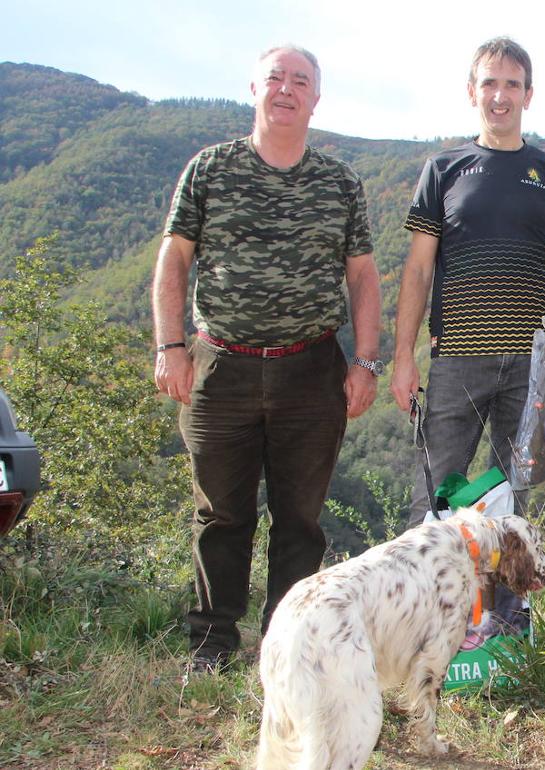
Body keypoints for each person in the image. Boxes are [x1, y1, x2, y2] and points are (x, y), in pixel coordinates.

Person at [152, 45, 382, 676]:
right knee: (221, 512)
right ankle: (211, 644)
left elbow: (362, 277)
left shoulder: (339, 183)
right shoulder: (210, 169)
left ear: (316, 98)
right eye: (276, 77)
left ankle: (289, 648)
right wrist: (171, 346)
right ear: (253, 86)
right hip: (218, 365)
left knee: (300, 518)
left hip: (312, 368)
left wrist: (366, 361)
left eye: (300, 80)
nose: (287, 88)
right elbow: (174, 259)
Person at [390, 37, 545, 521]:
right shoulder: (442, 170)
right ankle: (426, 598)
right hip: (457, 359)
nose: (500, 96)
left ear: (529, 95)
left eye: (512, 85)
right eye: (490, 83)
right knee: (432, 497)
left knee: (511, 499)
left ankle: (501, 601)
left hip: (533, 359)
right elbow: (418, 270)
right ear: (471, 91)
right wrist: (402, 357)